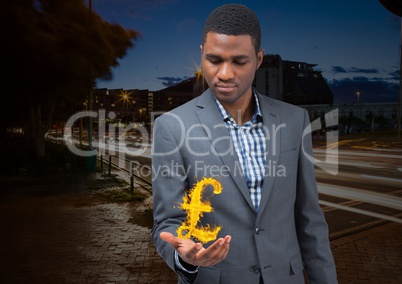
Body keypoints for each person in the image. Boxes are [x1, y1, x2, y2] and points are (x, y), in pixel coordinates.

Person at [151, 3, 337, 284]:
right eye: (214, 60)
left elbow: (309, 219)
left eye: (239, 61)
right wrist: (185, 258)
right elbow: (168, 221)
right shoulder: (172, 127)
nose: (224, 74)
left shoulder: (295, 121)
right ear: (202, 54)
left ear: (259, 59)